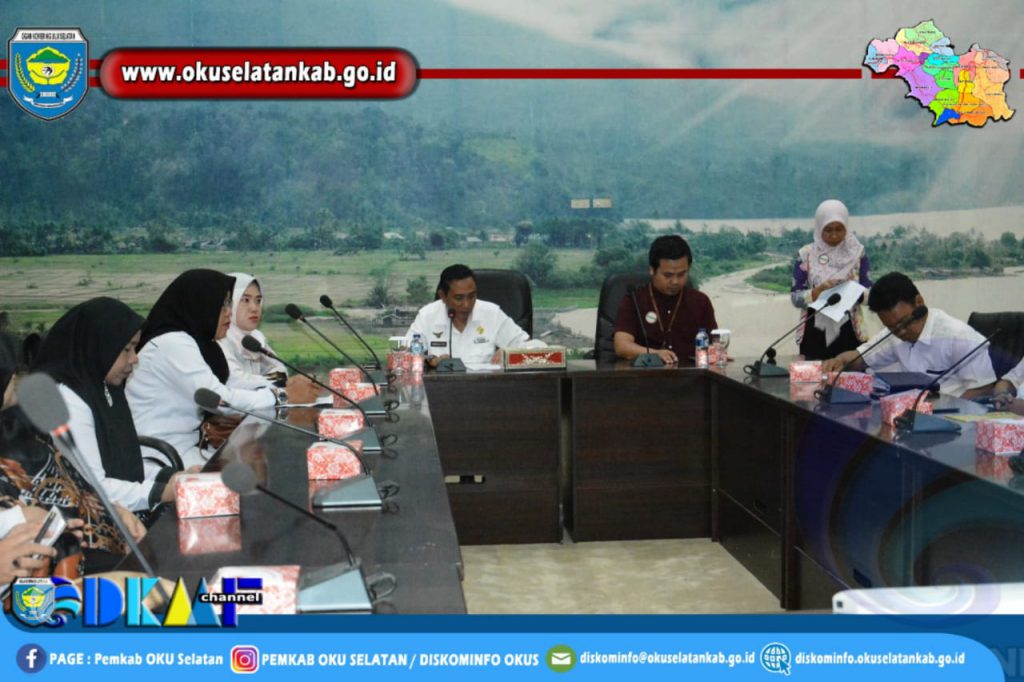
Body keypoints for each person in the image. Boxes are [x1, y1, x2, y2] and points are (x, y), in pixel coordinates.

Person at [32, 298, 186, 513]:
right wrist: (165, 492)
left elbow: (124, 465)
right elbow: (95, 489)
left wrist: (172, 477)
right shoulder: (68, 402)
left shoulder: (103, 385)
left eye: (135, 348)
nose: (134, 359)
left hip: (125, 508)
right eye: (126, 349)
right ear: (97, 347)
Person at [127, 270, 285, 469]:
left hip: (190, 448)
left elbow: (231, 382)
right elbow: (221, 399)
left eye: (229, 303)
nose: (229, 312)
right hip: (161, 457)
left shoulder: (200, 342)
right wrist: (277, 396)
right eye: (223, 304)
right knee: (245, 474)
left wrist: (281, 388)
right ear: (200, 304)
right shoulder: (172, 343)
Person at [822, 272, 996, 398]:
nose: (901, 332)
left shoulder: (959, 337)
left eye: (904, 323)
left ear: (919, 302)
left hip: (953, 420)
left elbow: (984, 388)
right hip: (911, 415)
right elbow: (859, 359)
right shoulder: (894, 334)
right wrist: (839, 361)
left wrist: (949, 411)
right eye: (891, 327)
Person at [404, 264, 539, 368]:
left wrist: (509, 353)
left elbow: (535, 347)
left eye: (472, 296)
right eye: (459, 298)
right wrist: (430, 361)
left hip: (486, 389)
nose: (466, 304)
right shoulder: (427, 316)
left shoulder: (491, 314)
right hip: (441, 390)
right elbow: (406, 354)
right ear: (443, 296)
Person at [614, 235, 717, 365]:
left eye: (681, 274)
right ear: (652, 270)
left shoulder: (700, 302)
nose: (675, 281)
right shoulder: (634, 301)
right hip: (647, 374)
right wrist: (654, 354)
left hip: (690, 374)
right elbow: (622, 346)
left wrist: (715, 354)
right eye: (668, 275)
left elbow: (713, 346)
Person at [790, 199, 872, 359]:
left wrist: (854, 291)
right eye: (828, 230)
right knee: (815, 374)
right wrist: (818, 291)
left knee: (849, 372)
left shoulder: (857, 253)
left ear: (846, 227)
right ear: (819, 227)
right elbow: (796, 298)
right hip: (814, 332)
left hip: (850, 331)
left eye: (839, 229)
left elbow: (871, 295)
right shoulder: (806, 255)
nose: (834, 235)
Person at [216, 273, 316, 404]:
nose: (254, 308)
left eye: (258, 301)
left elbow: (280, 370)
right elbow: (234, 381)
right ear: (228, 303)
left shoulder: (255, 337)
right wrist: (279, 384)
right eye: (245, 300)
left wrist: (275, 382)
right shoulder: (218, 338)